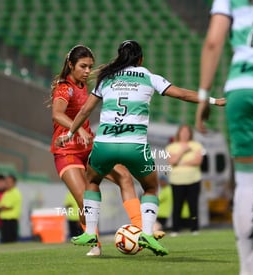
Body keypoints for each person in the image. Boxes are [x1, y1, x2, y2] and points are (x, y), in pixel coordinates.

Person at [56, 40, 225, 256]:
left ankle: (90, 232)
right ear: (140, 59)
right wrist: (213, 100)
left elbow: (85, 111)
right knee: (151, 187)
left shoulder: (106, 78)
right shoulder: (147, 76)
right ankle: (146, 232)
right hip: (134, 145)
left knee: (91, 181)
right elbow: (182, 94)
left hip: (105, 144)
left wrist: (69, 134)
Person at [195, 1, 253, 274]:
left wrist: (203, 96)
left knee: (247, 182)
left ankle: (247, 269)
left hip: (242, 89)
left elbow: (212, 42)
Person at [49, 45, 155, 256]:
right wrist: (77, 131)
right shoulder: (64, 87)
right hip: (67, 151)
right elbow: (57, 114)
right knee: (83, 200)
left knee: (125, 177)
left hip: (89, 147)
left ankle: (141, 229)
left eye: (90, 67)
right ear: (70, 65)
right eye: (83, 66)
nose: (87, 71)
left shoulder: (84, 85)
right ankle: (95, 244)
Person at [166, 124, 204, 236]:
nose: (185, 134)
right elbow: (172, 161)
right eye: (183, 132)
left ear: (190, 133)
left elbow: (198, 161)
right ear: (179, 133)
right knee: (177, 206)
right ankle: (175, 229)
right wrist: (183, 151)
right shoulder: (171, 147)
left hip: (194, 179)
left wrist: (182, 162)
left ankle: (194, 228)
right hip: (177, 181)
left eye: (187, 132)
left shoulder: (197, 145)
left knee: (193, 206)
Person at [0, 174, 22, 243]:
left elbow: (7, 206)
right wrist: (0, 207)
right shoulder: (6, 193)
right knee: (5, 241)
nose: (7, 184)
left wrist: (1, 207)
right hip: (5, 221)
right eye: (6, 182)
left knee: (11, 241)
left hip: (11, 221)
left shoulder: (15, 193)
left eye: (9, 182)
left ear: (14, 183)